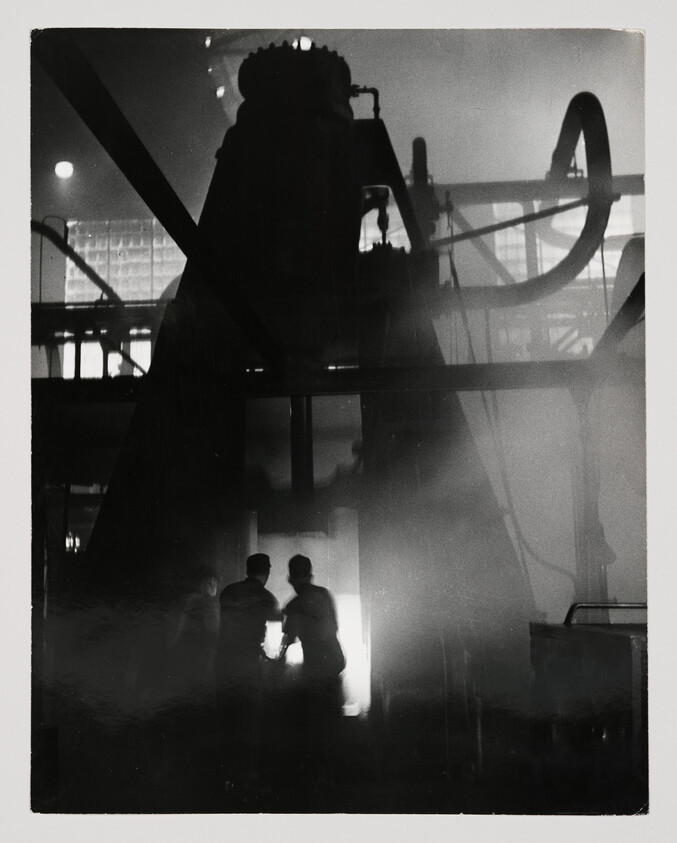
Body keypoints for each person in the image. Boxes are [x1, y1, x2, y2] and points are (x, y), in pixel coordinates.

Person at [279, 554, 345, 788]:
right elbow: (334, 627)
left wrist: (278, 663)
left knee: (315, 726)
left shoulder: (295, 604)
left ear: (291, 578)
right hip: (335, 665)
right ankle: (330, 775)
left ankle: (319, 776)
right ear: (310, 574)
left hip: (317, 671)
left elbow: (288, 638)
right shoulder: (324, 595)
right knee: (329, 726)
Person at [218, 553, 280, 790]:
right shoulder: (266, 598)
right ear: (267, 571)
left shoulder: (228, 592)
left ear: (247, 569)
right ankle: (248, 778)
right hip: (248, 666)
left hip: (223, 663)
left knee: (227, 722)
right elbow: (273, 644)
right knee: (249, 723)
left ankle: (226, 779)